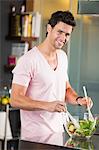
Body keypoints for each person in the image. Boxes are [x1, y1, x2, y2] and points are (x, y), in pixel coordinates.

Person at [10, 10, 93, 141]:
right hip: (34, 138)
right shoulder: (28, 60)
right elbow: (15, 99)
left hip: (58, 133)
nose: (63, 38)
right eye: (60, 32)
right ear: (49, 28)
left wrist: (79, 100)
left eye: (67, 34)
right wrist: (48, 105)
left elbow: (65, 89)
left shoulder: (63, 57)